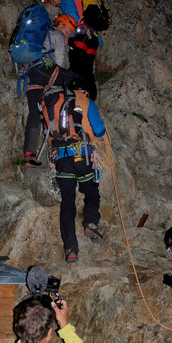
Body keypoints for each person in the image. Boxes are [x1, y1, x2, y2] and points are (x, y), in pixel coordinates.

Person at [43, 87, 105, 262]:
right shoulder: (84, 101)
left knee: (67, 203)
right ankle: (90, 223)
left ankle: (70, 248)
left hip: (61, 159)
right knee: (91, 191)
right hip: (81, 156)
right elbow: (99, 130)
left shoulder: (51, 103)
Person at [22, 14, 76, 168]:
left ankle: (29, 155)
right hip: (43, 70)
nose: (67, 35)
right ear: (62, 25)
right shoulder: (56, 35)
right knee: (75, 79)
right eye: (68, 31)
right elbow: (59, 63)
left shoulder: (39, 34)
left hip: (29, 75)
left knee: (34, 113)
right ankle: (68, 129)